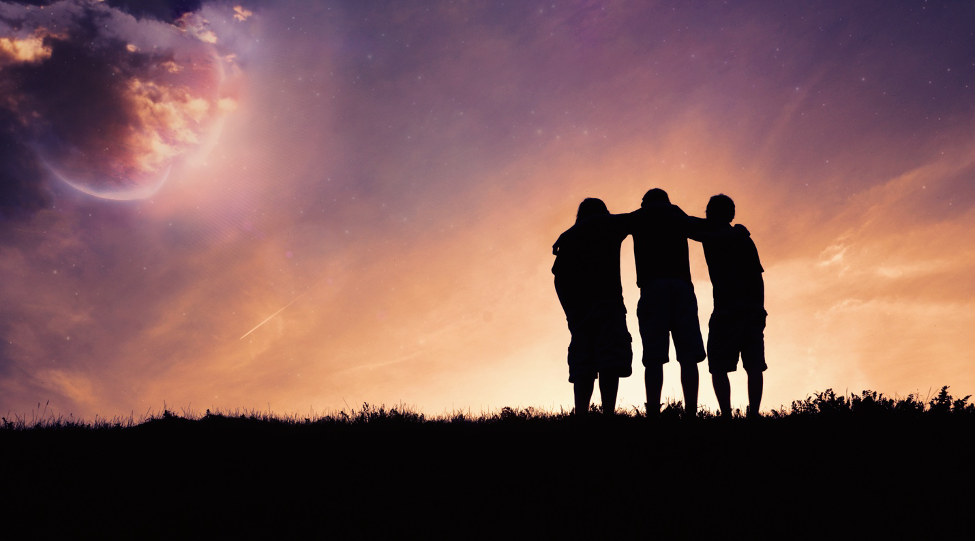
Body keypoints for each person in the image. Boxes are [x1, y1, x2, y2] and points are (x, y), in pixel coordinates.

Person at [629, 189, 705, 420]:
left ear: (645, 202)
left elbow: (608, 224)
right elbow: (701, 229)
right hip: (681, 285)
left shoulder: (639, 216)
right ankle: (691, 412)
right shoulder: (676, 215)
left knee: (654, 355)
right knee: (688, 355)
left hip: (653, 287)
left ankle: (653, 412)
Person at [552, 198, 632, 416]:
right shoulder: (609, 225)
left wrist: (570, 312)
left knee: (583, 365)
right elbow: (637, 218)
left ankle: (581, 415)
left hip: (580, 310)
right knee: (610, 360)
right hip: (608, 304)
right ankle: (607, 414)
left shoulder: (570, 237)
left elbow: (558, 277)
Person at [690, 194, 766, 419]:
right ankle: (752, 413)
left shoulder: (711, 235)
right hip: (747, 308)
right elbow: (757, 277)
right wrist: (759, 309)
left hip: (728, 309)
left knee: (720, 364)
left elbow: (689, 225)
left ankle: (727, 414)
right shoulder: (739, 236)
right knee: (752, 364)